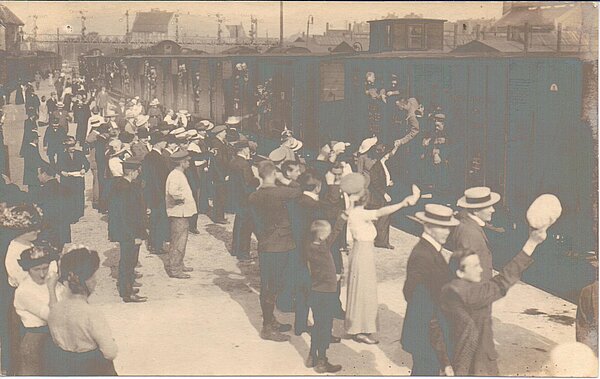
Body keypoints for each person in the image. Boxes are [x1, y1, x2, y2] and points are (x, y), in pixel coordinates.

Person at [440, 226, 549, 375]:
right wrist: (531, 243)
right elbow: (503, 280)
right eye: (475, 266)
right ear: (460, 272)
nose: (480, 270)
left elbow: (436, 327)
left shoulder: (448, 290)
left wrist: (445, 362)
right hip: (474, 367)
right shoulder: (472, 296)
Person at [340, 173, 420, 345]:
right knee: (364, 291)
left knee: (362, 290)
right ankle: (359, 330)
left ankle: (358, 327)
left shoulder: (354, 212)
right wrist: (403, 203)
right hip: (363, 254)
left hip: (362, 253)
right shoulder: (359, 214)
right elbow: (382, 211)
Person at [400, 203, 458, 376]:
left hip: (426, 334)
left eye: (448, 227)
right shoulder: (424, 256)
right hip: (427, 336)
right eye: (442, 227)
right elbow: (418, 299)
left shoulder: (430, 250)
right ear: (427, 226)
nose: (447, 232)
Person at [248, 160, 301, 342]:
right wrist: (285, 180)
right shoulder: (280, 192)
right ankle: (267, 328)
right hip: (281, 245)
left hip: (265, 244)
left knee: (268, 286)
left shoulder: (254, 196)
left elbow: (252, 222)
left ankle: (270, 321)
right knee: (273, 287)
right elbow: (300, 190)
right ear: (273, 174)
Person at [46, 247, 118, 375]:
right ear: (87, 281)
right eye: (93, 275)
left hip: (65, 368)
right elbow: (110, 352)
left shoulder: (55, 309)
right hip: (92, 368)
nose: (95, 280)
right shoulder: (91, 313)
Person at [1, 204, 44, 375]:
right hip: (22, 301)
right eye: (32, 228)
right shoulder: (16, 251)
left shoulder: (26, 246)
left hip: (30, 296)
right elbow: (24, 280)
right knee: (21, 342)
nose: (37, 231)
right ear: (20, 229)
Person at [305, 219, 347, 373]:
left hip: (315, 293)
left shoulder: (312, 247)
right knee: (325, 326)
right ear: (322, 237)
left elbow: (333, 235)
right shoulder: (322, 249)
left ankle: (312, 355)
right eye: (328, 233)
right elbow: (322, 273)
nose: (330, 236)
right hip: (326, 293)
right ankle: (322, 361)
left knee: (317, 325)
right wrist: (335, 278)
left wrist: (341, 218)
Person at [13, 244, 62, 375]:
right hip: (35, 342)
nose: (42, 274)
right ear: (28, 269)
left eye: (45, 268)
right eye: (36, 269)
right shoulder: (24, 291)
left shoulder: (53, 282)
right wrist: (51, 289)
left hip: (56, 337)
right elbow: (53, 315)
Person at [108, 157, 148, 303]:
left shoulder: (121, 185)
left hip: (127, 232)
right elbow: (126, 215)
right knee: (129, 261)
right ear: (132, 172)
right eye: (137, 171)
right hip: (129, 232)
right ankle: (127, 292)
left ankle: (127, 285)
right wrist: (134, 235)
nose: (138, 174)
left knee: (128, 260)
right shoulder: (126, 188)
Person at [165, 150, 197, 279]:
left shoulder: (179, 174)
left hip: (182, 212)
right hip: (179, 213)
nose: (189, 163)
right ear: (182, 162)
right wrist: (182, 198)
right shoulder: (175, 175)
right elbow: (173, 191)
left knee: (181, 240)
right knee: (178, 241)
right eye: (187, 161)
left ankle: (179, 263)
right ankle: (175, 269)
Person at [228, 140, 259, 261]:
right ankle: (243, 253)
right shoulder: (244, 164)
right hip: (246, 199)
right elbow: (248, 184)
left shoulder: (234, 161)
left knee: (239, 224)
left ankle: (235, 249)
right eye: (248, 149)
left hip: (237, 197)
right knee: (246, 226)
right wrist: (256, 180)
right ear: (244, 149)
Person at [142, 132, 170, 255]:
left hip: (154, 192)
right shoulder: (155, 157)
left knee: (155, 219)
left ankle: (154, 244)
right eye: (164, 141)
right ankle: (156, 245)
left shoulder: (150, 156)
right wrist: (160, 194)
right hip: (157, 193)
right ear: (158, 143)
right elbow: (154, 178)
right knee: (158, 219)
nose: (166, 143)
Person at [367, 143, 400, 249]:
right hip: (378, 196)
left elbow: (383, 178)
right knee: (383, 218)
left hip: (383, 193)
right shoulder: (376, 166)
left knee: (384, 218)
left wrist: (389, 182)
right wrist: (384, 193)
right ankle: (382, 241)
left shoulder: (384, 164)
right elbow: (375, 183)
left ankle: (382, 240)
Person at [36, 164, 71, 252]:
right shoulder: (65, 188)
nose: (38, 176)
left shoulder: (42, 191)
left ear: (44, 174)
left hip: (49, 232)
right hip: (63, 230)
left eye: (38, 174)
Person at [58, 137, 90, 223]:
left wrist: (84, 169)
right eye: (70, 146)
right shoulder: (61, 155)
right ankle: (71, 216)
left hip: (78, 178)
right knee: (69, 197)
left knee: (79, 196)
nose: (73, 148)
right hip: (67, 179)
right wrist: (62, 172)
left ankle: (79, 214)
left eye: (73, 146)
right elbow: (57, 166)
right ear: (66, 147)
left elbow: (87, 163)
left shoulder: (79, 153)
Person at [209, 125, 230, 224]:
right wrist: (223, 174)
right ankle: (218, 217)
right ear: (220, 133)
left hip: (221, 172)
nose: (225, 133)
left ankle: (220, 215)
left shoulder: (221, 142)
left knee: (221, 195)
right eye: (224, 132)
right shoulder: (216, 143)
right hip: (219, 174)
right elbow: (218, 161)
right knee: (219, 196)